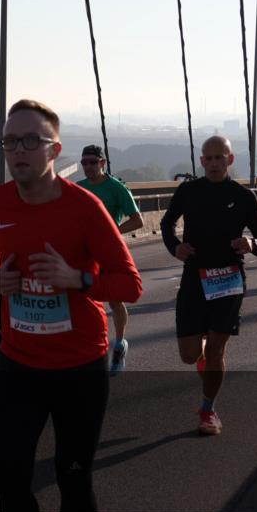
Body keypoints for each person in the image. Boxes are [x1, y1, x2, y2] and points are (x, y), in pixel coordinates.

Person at [0, 99, 142, 512]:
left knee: (73, 478)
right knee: (7, 482)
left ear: (54, 150)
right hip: (18, 364)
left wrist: (78, 278)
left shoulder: (85, 207)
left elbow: (129, 285)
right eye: (11, 141)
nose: (18, 151)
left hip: (79, 368)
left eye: (31, 140)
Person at [160, 136, 257, 436]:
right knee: (188, 355)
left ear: (230, 160)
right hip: (194, 278)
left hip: (229, 279)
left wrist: (252, 243)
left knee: (216, 351)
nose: (213, 163)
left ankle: (208, 410)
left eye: (219, 158)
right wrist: (175, 247)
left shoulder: (243, 196)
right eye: (207, 158)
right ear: (201, 161)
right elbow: (167, 224)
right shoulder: (188, 190)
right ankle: (205, 353)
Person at [76, 145, 144, 376]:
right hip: (85, 255)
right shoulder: (78, 189)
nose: (88, 166)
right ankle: (87, 351)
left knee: (114, 300)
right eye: (84, 162)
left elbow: (138, 221)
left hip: (109, 253)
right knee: (82, 300)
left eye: (93, 162)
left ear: (103, 163)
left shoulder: (116, 188)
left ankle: (120, 343)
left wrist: (113, 231)